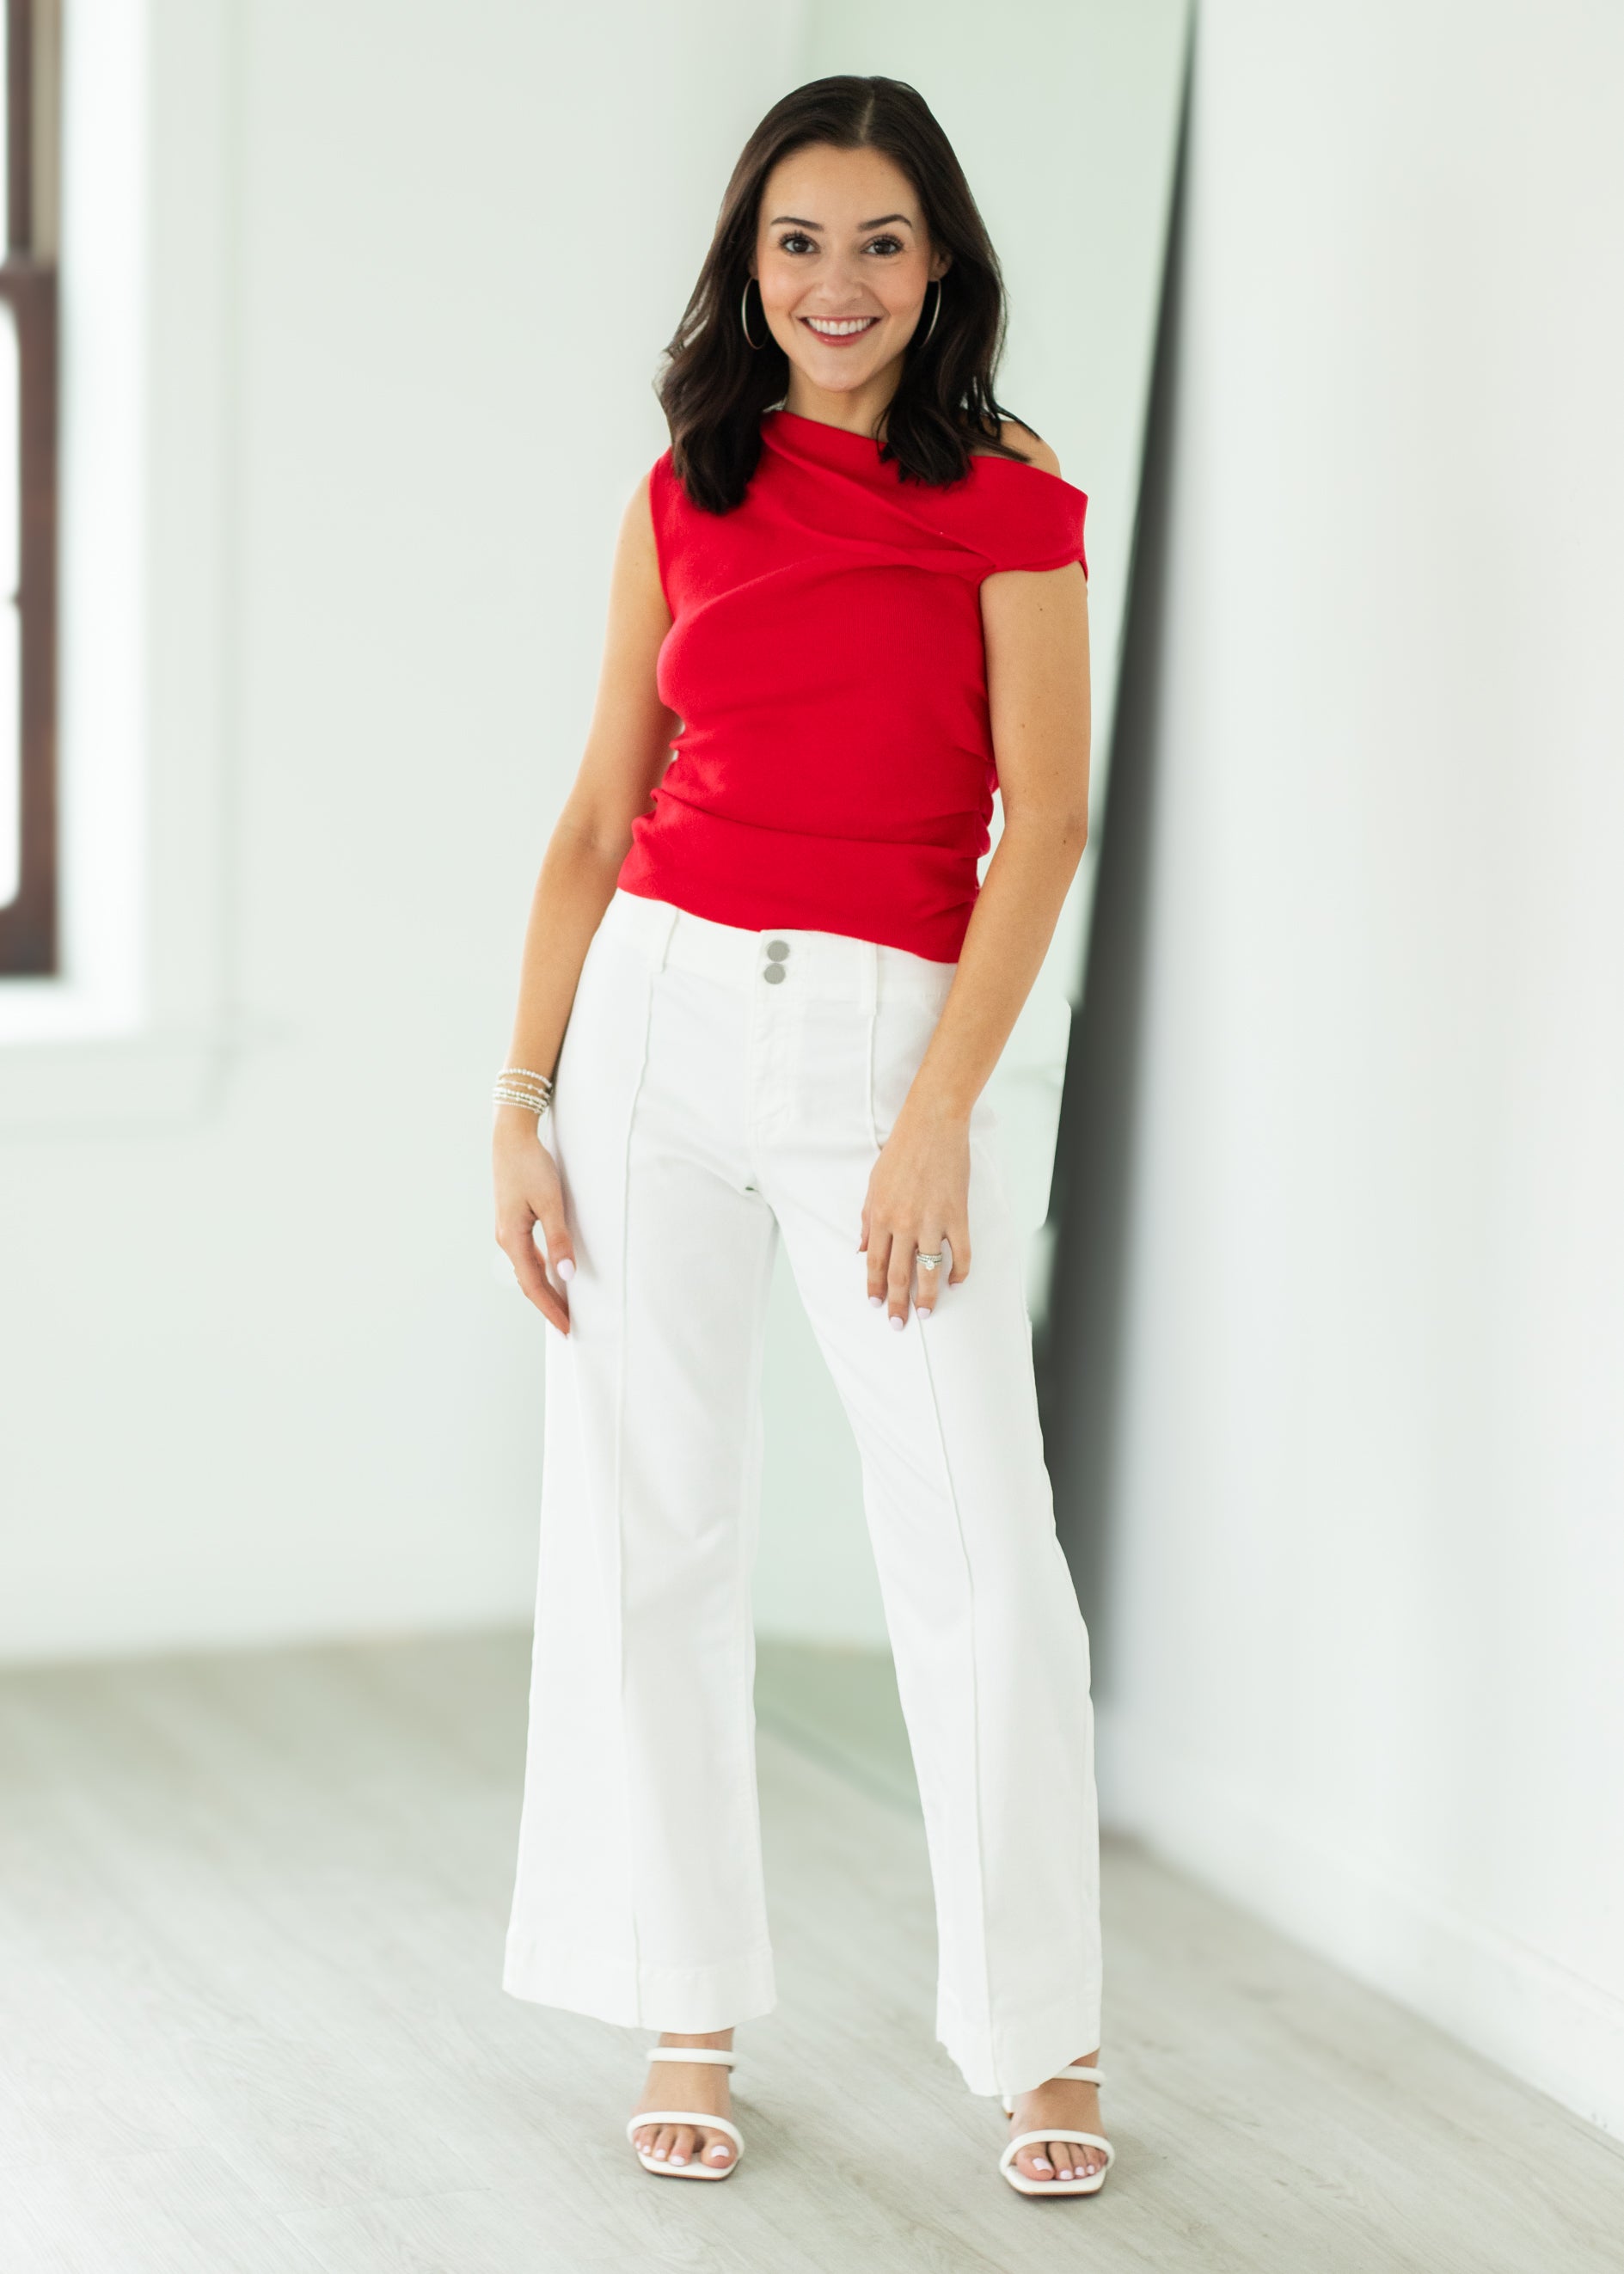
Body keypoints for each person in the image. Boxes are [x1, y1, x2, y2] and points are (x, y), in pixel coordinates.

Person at [493, 74, 1110, 2202]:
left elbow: (1052, 825)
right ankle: (688, 2001)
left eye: (877, 243)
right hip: (651, 1022)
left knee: (982, 1551)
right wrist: (518, 1099)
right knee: (651, 1528)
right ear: (745, 267)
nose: (835, 285)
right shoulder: (690, 484)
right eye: (796, 242)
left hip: (885, 1045)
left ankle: (1044, 2036)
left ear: (940, 265)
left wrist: (944, 1117)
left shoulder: (1013, 497)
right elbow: (595, 819)